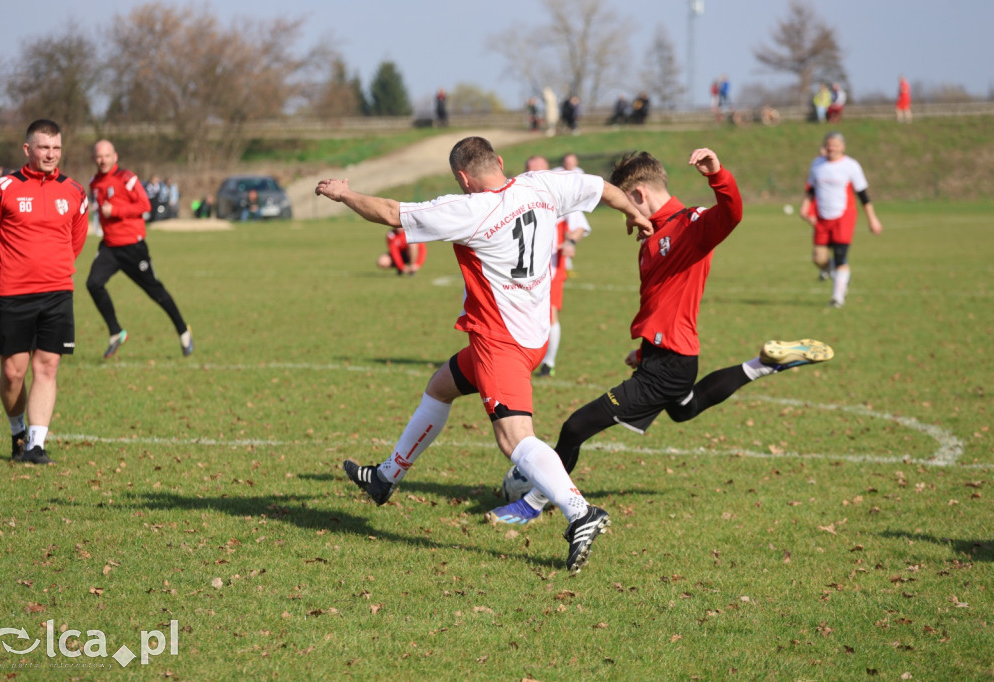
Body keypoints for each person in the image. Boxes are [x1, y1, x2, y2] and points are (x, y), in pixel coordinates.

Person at [315, 136, 653, 574]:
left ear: (462, 177)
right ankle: (386, 478)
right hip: (530, 334)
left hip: (501, 340)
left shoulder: (469, 209)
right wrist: (635, 213)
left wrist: (343, 193)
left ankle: (580, 512)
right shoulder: (540, 185)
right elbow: (601, 188)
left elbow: (390, 213)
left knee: (514, 439)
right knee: (440, 387)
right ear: (499, 161)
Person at [486, 147, 834, 525]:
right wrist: (645, 346)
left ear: (639, 195)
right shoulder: (653, 234)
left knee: (575, 427)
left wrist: (717, 174)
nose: (627, 215)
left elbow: (732, 214)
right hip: (666, 354)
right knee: (686, 408)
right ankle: (764, 365)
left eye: (625, 205)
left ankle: (531, 505)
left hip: (669, 364)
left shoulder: (691, 225)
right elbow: (659, 300)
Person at [0, 119, 89, 464]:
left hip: (58, 292)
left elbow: (77, 238)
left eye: (55, 148)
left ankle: (36, 445)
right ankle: (17, 432)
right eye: (43, 147)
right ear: (28, 149)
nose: (50, 154)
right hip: (13, 293)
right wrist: (5, 270)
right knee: (13, 373)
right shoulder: (3, 188)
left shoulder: (74, 191)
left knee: (48, 366)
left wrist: (57, 266)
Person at [87, 139, 193, 359]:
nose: (103, 160)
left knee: (156, 292)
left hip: (133, 248)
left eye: (106, 155)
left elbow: (145, 205)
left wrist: (115, 210)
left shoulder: (127, 178)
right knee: (93, 283)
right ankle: (116, 332)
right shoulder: (94, 183)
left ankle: (183, 331)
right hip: (109, 247)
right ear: (94, 158)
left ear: (115, 156)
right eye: (99, 156)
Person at [799, 131, 883, 307]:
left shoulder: (851, 166)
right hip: (822, 217)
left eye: (835, 144)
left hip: (843, 216)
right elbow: (811, 189)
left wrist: (872, 219)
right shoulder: (817, 164)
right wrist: (805, 206)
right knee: (818, 258)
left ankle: (837, 298)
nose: (832, 147)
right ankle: (841, 276)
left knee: (839, 256)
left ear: (842, 147)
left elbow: (863, 196)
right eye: (829, 144)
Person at [537, 153, 591, 378]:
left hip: (551, 268)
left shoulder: (560, 198)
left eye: (539, 170)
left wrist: (569, 242)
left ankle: (548, 363)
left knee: (549, 314)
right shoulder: (516, 198)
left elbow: (578, 226)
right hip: (521, 272)